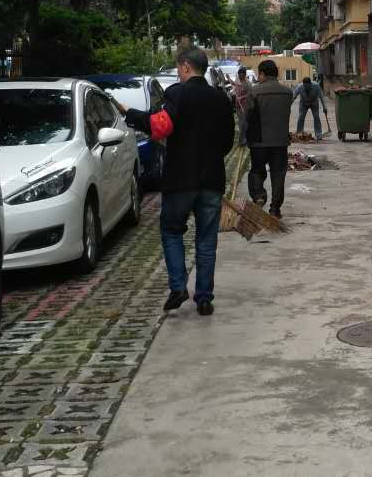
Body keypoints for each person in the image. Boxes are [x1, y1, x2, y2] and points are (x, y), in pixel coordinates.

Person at [117, 46, 234, 316]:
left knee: (171, 231)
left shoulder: (177, 94)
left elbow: (160, 127)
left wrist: (132, 114)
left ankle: (179, 287)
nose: (179, 74)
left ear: (185, 66)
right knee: (206, 241)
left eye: (179, 68)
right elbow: (227, 141)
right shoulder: (219, 98)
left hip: (180, 180)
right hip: (212, 180)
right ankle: (204, 298)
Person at [244, 59, 293, 219]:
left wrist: (243, 137)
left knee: (257, 171)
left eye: (259, 74)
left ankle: (259, 195)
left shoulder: (254, 92)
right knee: (278, 174)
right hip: (280, 141)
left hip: (259, 141)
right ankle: (275, 209)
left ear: (263, 74)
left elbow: (247, 117)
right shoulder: (287, 92)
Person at [293, 75, 327, 141]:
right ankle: (299, 133)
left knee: (316, 117)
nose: (306, 88)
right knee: (301, 117)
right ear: (303, 84)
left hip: (314, 102)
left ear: (310, 84)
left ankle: (318, 134)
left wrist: (324, 107)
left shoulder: (316, 86)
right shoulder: (300, 87)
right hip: (303, 103)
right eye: (305, 86)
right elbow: (293, 97)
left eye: (307, 86)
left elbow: (321, 97)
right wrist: (288, 105)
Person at [232, 65, 252, 145]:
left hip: (245, 106)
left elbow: (250, 94)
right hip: (238, 106)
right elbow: (235, 85)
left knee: (244, 123)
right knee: (241, 123)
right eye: (239, 75)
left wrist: (242, 97)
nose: (240, 77)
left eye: (242, 75)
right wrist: (229, 80)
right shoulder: (237, 79)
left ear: (245, 75)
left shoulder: (248, 83)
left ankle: (243, 139)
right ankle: (243, 138)